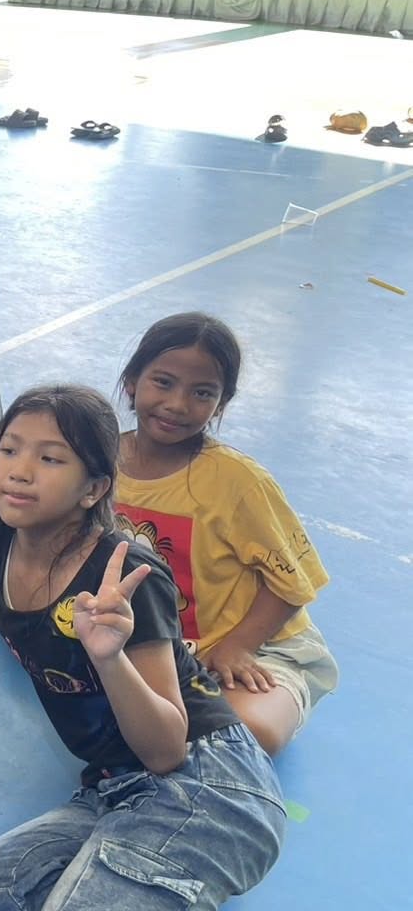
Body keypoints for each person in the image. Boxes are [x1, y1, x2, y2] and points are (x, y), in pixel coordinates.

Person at [0, 385, 392, 911]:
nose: (19, 470)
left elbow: (165, 749)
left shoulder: (127, 576)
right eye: (10, 448)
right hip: (116, 787)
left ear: (94, 489)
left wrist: (110, 657)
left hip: (208, 786)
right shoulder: (1, 528)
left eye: (50, 458)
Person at [114, 313, 337, 757]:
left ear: (221, 404)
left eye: (202, 393)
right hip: (151, 648)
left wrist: (237, 646)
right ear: (132, 381)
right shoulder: (98, 459)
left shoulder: (240, 483)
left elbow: (294, 583)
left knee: (245, 734)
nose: (178, 404)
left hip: (260, 646)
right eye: (163, 382)